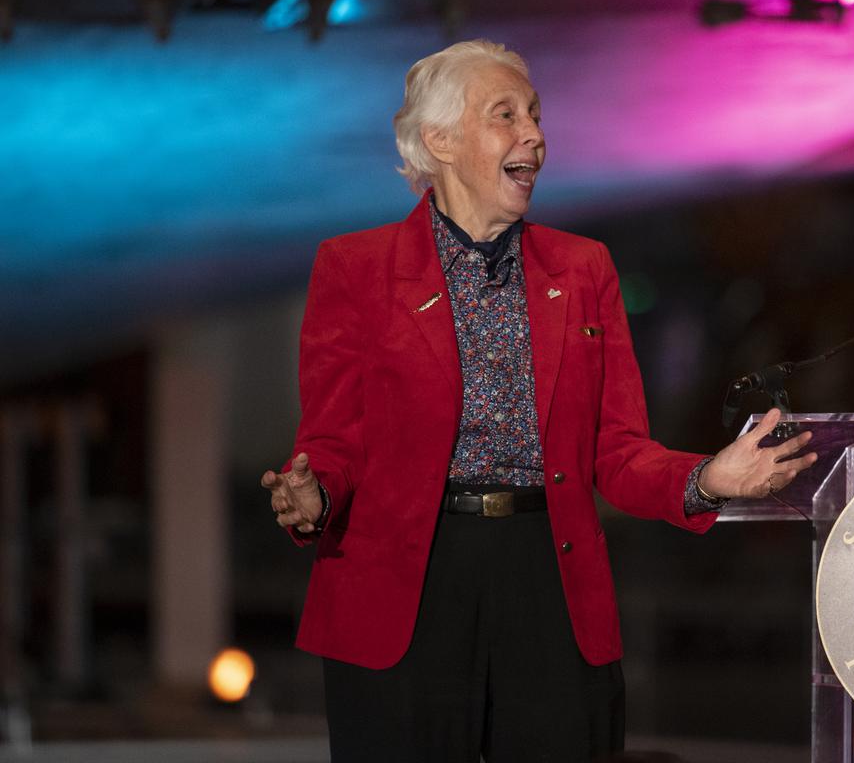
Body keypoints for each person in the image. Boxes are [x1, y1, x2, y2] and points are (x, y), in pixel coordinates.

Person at [260, 39, 817, 763]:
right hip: (405, 584)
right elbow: (333, 443)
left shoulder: (582, 269)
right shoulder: (355, 270)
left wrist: (706, 479)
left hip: (547, 577)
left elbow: (617, 452)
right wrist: (314, 496)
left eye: (534, 114)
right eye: (506, 115)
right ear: (440, 141)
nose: (535, 135)